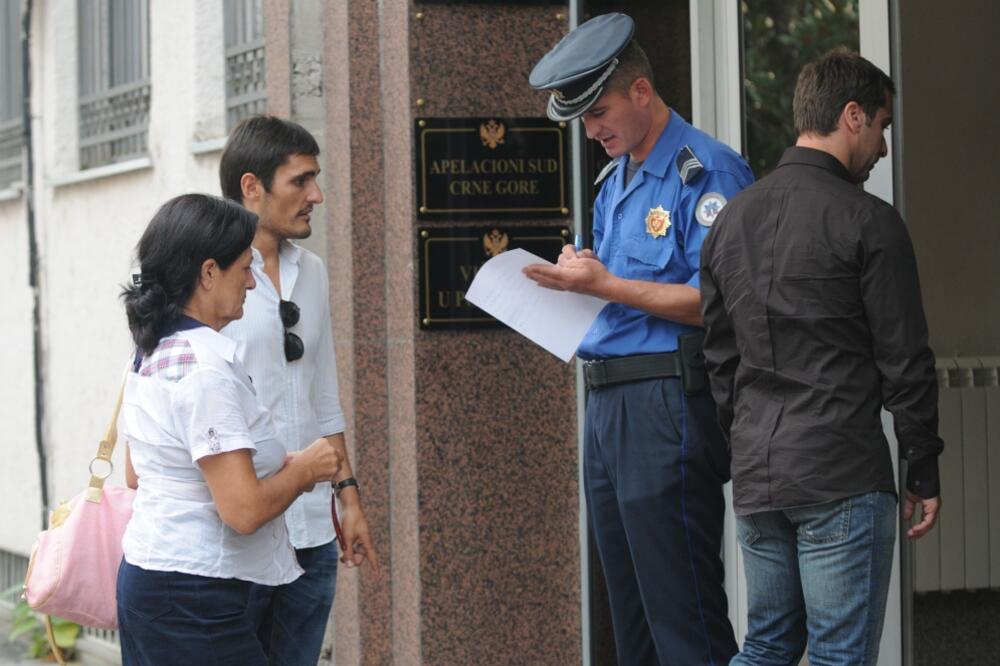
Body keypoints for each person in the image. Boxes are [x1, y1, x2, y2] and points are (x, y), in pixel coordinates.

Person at [700, 49, 943, 665]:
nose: (884, 147)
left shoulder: (730, 223)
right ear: (852, 115)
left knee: (765, 648)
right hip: (840, 472)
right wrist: (923, 465)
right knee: (839, 656)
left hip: (760, 476)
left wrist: (746, 442)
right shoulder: (870, 221)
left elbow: (718, 358)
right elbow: (904, 358)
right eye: (883, 126)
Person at [523, 13, 753, 665]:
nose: (592, 131)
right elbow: (612, 288)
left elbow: (722, 302)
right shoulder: (614, 178)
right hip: (608, 405)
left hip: (667, 403)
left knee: (683, 616)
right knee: (632, 620)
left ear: (643, 92)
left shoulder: (705, 171)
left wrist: (606, 287)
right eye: (585, 119)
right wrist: (578, 281)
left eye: (600, 111)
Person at [117, 194, 344, 665]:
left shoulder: (154, 349)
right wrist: (306, 469)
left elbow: (138, 473)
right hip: (194, 595)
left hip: (158, 581)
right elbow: (242, 510)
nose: (252, 281)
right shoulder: (204, 369)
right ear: (207, 273)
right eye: (244, 268)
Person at [219, 115, 378, 665]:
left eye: (317, 178)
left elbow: (322, 392)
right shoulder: (205, 272)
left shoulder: (311, 270)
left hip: (311, 531)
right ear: (251, 186)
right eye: (301, 181)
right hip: (238, 532)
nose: (317, 195)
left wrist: (348, 497)